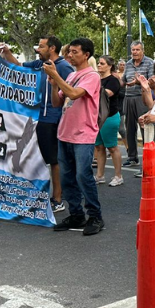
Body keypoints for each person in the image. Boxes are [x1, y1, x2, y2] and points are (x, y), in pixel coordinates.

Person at [0, 36, 74, 212]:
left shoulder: (63, 67)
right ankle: (44, 194)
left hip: (53, 119)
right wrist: (7, 52)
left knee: (54, 160)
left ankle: (58, 199)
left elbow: (72, 92)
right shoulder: (41, 64)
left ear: (52, 48)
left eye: (41, 47)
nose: (37, 50)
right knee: (39, 158)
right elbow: (18, 67)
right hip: (37, 117)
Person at [44, 38, 104, 236]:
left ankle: (95, 216)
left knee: (82, 175)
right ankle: (76, 214)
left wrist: (56, 75)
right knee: (67, 177)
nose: (70, 55)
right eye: (69, 51)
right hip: (65, 133)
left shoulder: (92, 76)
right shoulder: (72, 75)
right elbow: (57, 102)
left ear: (86, 54)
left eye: (75, 52)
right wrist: (53, 85)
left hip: (83, 134)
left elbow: (75, 94)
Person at [121, 42, 154, 167]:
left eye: (137, 50)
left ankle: (148, 159)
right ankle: (132, 157)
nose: (134, 52)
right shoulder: (128, 63)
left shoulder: (149, 62)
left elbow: (151, 81)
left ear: (142, 50)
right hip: (128, 97)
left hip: (142, 98)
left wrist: (138, 82)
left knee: (144, 128)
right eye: (133, 49)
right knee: (129, 128)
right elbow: (123, 79)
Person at [94, 56, 123, 187]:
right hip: (97, 117)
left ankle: (118, 176)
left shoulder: (113, 80)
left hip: (110, 116)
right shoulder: (96, 79)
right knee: (99, 147)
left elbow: (106, 94)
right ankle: (100, 175)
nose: (99, 65)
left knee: (112, 147)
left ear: (110, 66)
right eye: (98, 63)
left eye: (102, 63)